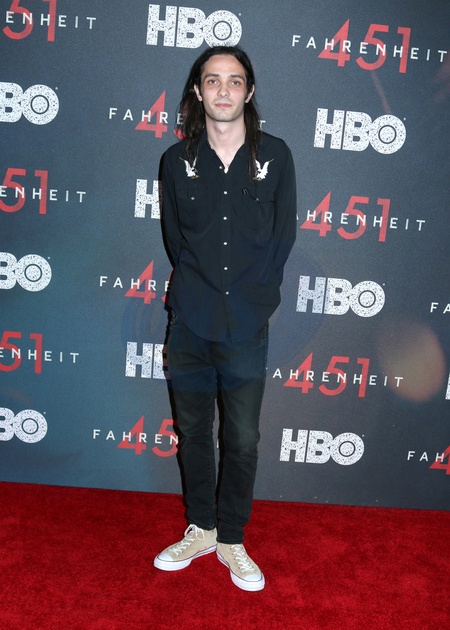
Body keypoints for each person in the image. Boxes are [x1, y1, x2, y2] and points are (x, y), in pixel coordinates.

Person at [154, 45, 297, 592]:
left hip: (245, 325)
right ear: (198, 91)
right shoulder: (176, 161)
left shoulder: (276, 156)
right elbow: (175, 240)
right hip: (189, 321)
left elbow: (282, 238)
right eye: (212, 80)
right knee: (193, 433)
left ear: (249, 91)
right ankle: (202, 529)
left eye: (234, 81)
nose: (223, 90)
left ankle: (232, 538)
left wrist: (255, 300)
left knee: (241, 438)